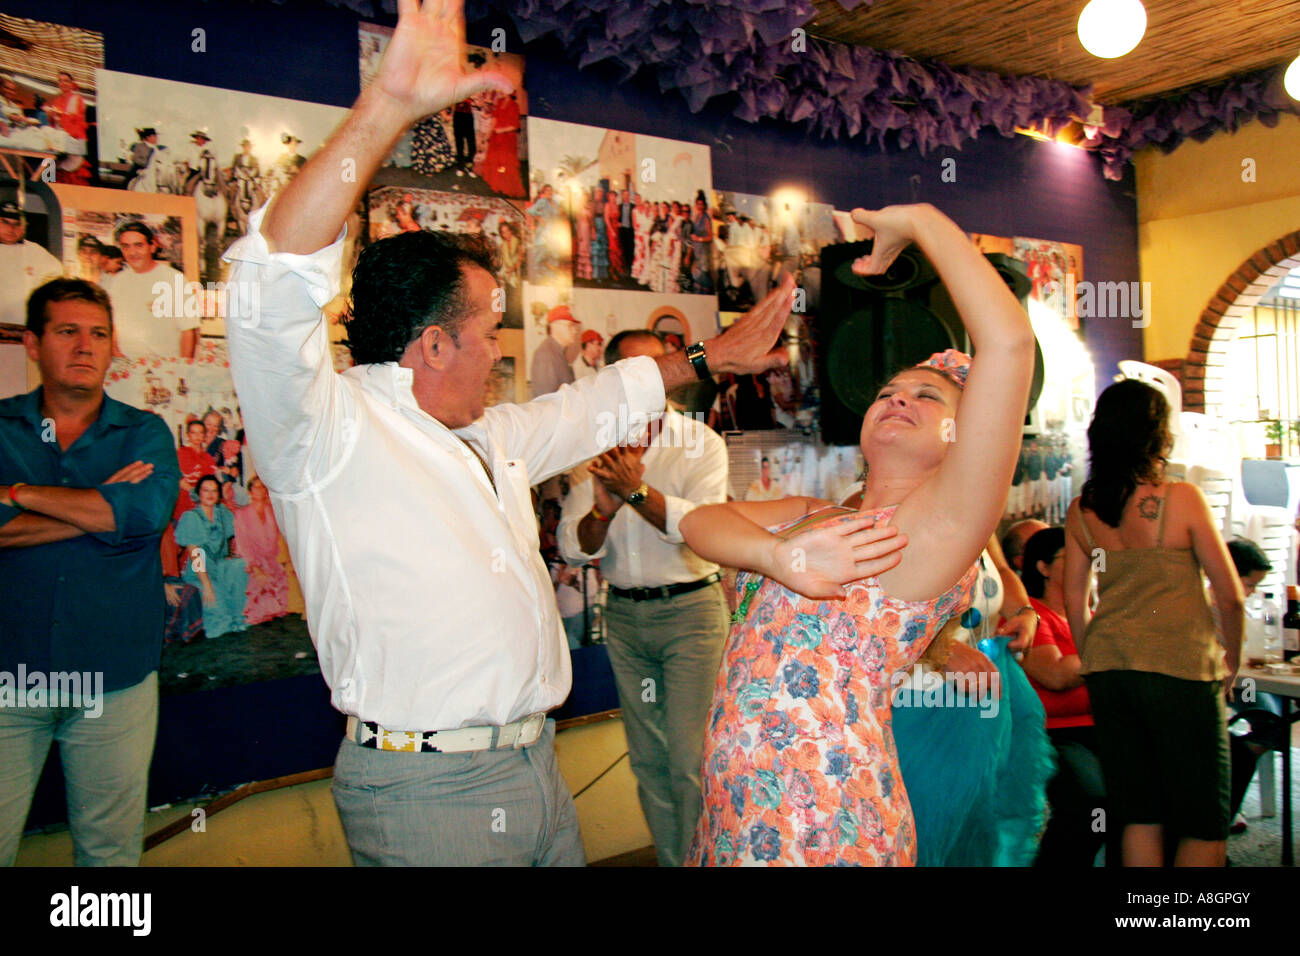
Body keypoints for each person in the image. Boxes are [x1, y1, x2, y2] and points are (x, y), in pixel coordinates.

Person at [220, 0, 798, 869]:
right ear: (434, 342)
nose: (501, 348)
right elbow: (268, 292)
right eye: (490, 327)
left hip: (535, 770)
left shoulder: (491, 436)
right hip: (427, 795)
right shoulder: (326, 432)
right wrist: (388, 104)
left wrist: (708, 360)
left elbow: (593, 407)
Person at [679, 202, 1035, 865]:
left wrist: (927, 224)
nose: (899, 398)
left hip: (823, 827)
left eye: (928, 397)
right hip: (736, 816)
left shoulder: (930, 535)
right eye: (888, 392)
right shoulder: (818, 516)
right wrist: (777, 554)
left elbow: (1009, 346)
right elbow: (700, 521)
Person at [0, 277, 179, 865]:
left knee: (109, 855)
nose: (85, 346)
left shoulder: (144, 432)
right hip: (10, 676)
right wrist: (103, 508)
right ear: (32, 343)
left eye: (98, 334)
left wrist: (21, 492)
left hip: (114, 679)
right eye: (68, 331)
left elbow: (145, 515)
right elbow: (121, 517)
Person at [558, 330, 731, 866]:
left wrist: (635, 490)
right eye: (633, 370)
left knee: (688, 760)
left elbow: (698, 531)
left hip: (691, 615)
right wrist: (604, 511)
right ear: (612, 379)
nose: (650, 378)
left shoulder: (701, 443)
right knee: (649, 763)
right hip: (626, 620)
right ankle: (675, 860)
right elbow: (574, 546)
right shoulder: (593, 445)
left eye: (659, 365)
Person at [1062, 378, 1244, 867]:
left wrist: (1093, 657)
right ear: (1159, 435)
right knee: (1204, 821)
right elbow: (1230, 595)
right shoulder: (1181, 498)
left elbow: (1074, 596)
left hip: (1111, 672)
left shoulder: (1082, 511)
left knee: (1140, 815)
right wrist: (1232, 662)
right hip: (1181, 668)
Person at [1019, 526, 1114, 867]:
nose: (1086, 563)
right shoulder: (1029, 614)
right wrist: (1108, 647)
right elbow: (1056, 675)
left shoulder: (1093, 616)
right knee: (1093, 802)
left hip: (1105, 725)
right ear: (1043, 567)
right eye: (1072, 555)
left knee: (1161, 787)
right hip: (1057, 734)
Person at [1220, 537, 1284, 835]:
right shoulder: (1212, 605)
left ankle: (1236, 772)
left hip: (1246, 678)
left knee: (1280, 707)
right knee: (1271, 717)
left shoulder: (1246, 606)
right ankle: (1232, 778)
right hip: (1227, 682)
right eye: (1249, 583)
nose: (1253, 591)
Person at [105, 221, 197, 360]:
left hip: (166, 367)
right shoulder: (117, 281)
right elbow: (114, 325)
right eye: (126, 247)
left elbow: (188, 331)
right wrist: (115, 352)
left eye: (138, 245)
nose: (132, 252)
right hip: (126, 366)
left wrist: (183, 370)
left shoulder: (174, 279)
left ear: (152, 247)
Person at [175, 475, 247, 639]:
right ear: (198, 493)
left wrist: (233, 556)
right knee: (216, 597)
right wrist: (206, 584)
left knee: (239, 565)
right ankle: (221, 625)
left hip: (219, 564)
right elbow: (195, 553)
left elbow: (231, 538)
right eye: (206, 490)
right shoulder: (191, 516)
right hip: (200, 570)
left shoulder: (222, 513)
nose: (210, 494)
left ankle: (239, 618)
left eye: (214, 491)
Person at [232, 476, 289, 626]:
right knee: (259, 581)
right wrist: (255, 566)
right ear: (250, 491)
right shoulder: (242, 514)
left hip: (273, 558)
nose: (261, 491)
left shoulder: (273, 511)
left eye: (263, 487)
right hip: (253, 559)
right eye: (257, 487)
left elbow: (280, 539)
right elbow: (243, 544)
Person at [0, 201, 63, 326]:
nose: (12, 228)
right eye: (5, 222)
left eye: (17, 224)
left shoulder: (34, 250)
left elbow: (56, 276)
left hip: (25, 325)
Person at [530, 304, 579, 398]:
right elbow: (545, 399)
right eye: (570, 326)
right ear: (554, 327)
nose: (575, 331)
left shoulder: (557, 352)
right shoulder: (545, 355)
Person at [480, 91, 523, 196]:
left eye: (503, 91)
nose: (500, 92)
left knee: (504, 162)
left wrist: (502, 130)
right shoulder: (499, 101)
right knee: (497, 160)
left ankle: (504, 184)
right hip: (496, 136)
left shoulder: (514, 106)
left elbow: (515, 125)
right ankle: (497, 183)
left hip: (507, 138)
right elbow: (494, 119)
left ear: (510, 92)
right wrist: (489, 133)